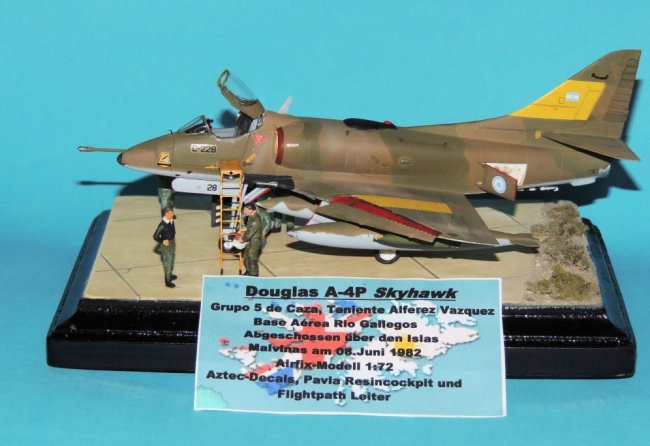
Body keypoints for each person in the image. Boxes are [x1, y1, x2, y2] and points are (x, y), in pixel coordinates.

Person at [153, 207, 177, 288]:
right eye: (171, 213)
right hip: (166, 245)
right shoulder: (162, 225)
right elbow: (155, 236)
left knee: (172, 258)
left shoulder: (171, 219)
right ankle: (167, 280)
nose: (173, 214)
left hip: (172, 242)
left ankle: (169, 274)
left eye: (172, 212)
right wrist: (162, 241)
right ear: (166, 214)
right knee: (168, 261)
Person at [238, 203, 262, 276]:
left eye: (246, 210)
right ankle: (248, 271)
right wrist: (244, 229)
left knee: (252, 258)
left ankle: (254, 274)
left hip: (254, 242)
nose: (244, 211)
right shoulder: (251, 216)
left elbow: (249, 234)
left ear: (252, 210)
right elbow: (250, 227)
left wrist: (242, 239)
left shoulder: (255, 220)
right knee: (246, 257)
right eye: (244, 209)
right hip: (250, 240)